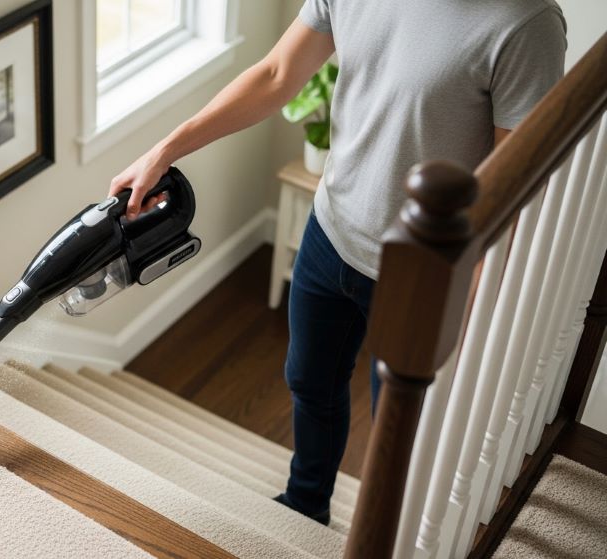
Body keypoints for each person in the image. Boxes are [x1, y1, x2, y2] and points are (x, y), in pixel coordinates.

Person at [109, 0, 566, 525]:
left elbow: (512, 188)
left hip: (423, 278)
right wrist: (165, 151)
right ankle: (306, 503)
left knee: (400, 432)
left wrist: (473, 308)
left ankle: (385, 533)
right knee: (308, 381)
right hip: (330, 232)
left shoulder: (525, 24)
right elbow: (278, 74)